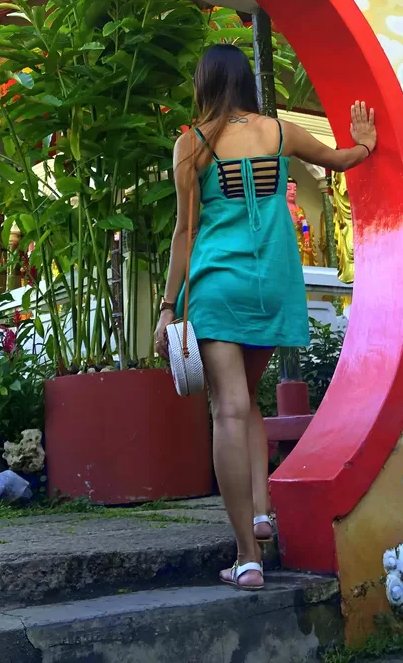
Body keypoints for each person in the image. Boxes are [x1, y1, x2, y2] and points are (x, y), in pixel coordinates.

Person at [154, 45, 376, 590]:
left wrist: (166, 307)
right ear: (247, 82)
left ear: (204, 83)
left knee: (227, 409)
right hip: (273, 285)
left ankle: (248, 557)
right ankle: (259, 509)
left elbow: (185, 233)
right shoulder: (280, 133)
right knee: (248, 400)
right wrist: (366, 143)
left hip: (217, 286)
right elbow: (343, 160)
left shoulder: (192, 144)